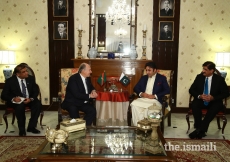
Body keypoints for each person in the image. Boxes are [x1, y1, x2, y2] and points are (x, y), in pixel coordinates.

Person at [189, 61, 229, 139]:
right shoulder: (199, 77)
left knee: (215, 107)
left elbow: (226, 93)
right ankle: (200, 129)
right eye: (203, 69)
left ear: (212, 70)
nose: (203, 71)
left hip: (214, 101)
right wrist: (200, 96)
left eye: (205, 69)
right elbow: (191, 90)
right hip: (201, 100)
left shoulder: (219, 79)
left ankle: (199, 129)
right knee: (194, 105)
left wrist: (213, 97)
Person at [1, 64, 42, 136]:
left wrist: (31, 99)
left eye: (26, 71)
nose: (27, 73)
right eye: (24, 72)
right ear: (18, 74)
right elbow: (3, 95)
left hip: (28, 99)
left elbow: (36, 91)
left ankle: (31, 127)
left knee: (37, 104)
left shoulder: (31, 78)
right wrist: (13, 98)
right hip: (17, 101)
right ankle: (22, 129)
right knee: (20, 106)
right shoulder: (10, 81)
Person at [130, 62, 170, 126]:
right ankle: (138, 126)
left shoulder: (161, 78)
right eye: (146, 70)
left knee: (150, 109)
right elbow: (135, 88)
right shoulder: (144, 78)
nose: (147, 72)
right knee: (134, 105)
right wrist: (141, 94)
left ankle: (149, 127)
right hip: (144, 99)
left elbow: (167, 90)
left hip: (155, 100)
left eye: (149, 70)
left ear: (155, 70)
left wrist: (155, 96)